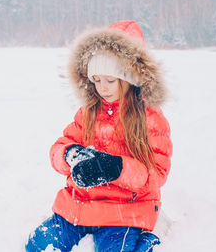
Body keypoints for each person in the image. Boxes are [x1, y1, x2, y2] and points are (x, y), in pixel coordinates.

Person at [25, 20, 173, 252]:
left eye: (110, 81)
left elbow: (158, 172)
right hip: (79, 204)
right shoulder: (89, 111)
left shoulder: (150, 118)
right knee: (37, 246)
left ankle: (147, 240)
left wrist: (115, 168)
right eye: (96, 81)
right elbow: (60, 145)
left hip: (125, 210)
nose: (102, 88)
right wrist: (70, 155)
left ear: (130, 78)